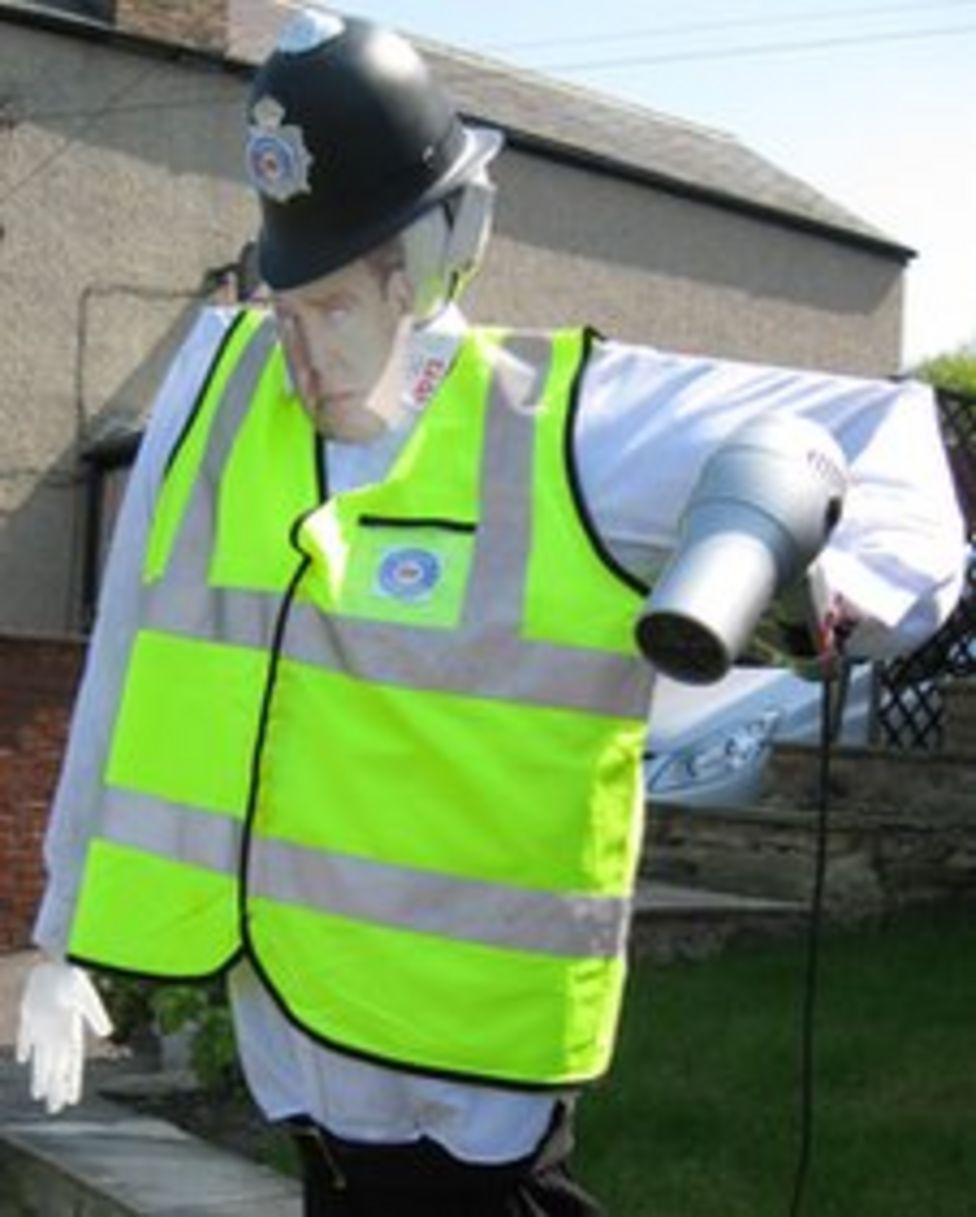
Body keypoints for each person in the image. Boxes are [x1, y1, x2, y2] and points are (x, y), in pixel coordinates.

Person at [16, 10, 966, 1216]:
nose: (303, 356)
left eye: (343, 305)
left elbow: (882, 444)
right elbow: (124, 666)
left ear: (446, 249)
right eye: (287, 302)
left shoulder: (573, 426)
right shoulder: (221, 397)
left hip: (473, 1095)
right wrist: (63, 927)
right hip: (300, 1064)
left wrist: (841, 588)